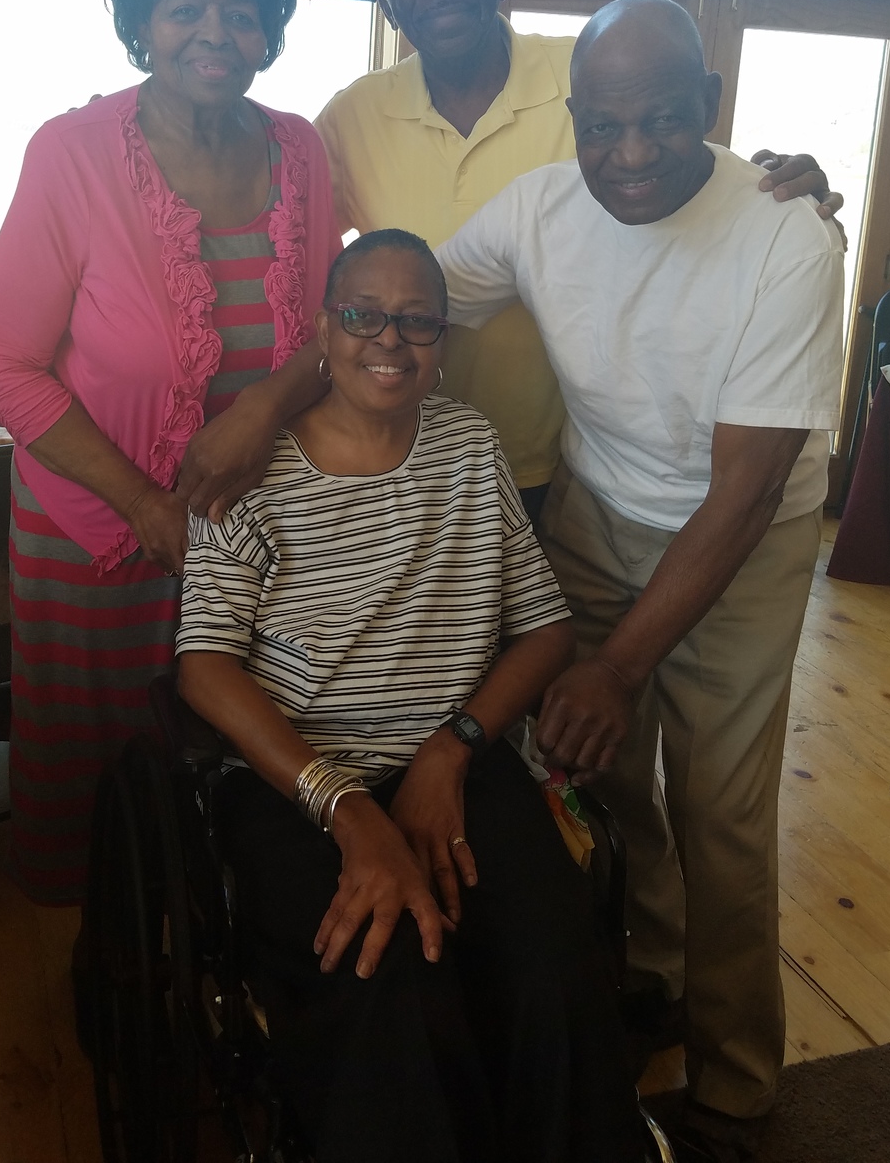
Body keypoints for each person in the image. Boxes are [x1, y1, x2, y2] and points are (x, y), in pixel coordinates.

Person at [435, 0, 845, 1162]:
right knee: (596, 775)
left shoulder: (785, 233)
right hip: (594, 512)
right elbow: (409, 302)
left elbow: (749, 486)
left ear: (709, 111)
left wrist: (621, 662)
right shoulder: (539, 207)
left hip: (743, 535)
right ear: (573, 119)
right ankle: (649, 975)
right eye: (603, 125)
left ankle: (735, 1085)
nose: (629, 155)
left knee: (719, 809)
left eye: (662, 122)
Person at [175, 229, 658, 1163]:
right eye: (362, 315)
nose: (388, 342)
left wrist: (452, 749)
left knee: (555, 972)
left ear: (443, 337)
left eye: (417, 322)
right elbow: (204, 668)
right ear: (324, 327)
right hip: (297, 783)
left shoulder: (468, 445)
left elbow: (547, 627)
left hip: (460, 765)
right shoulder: (255, 469)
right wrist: (347, 808)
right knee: (388, 984)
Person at [0, 0, 340, 906]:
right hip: (97, 529)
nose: (216, 31)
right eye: (186, 6)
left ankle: (212, 932)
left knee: (225, 754)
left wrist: (260, 413)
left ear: (270, 28)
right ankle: (106, 976)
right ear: (140, 23)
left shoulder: (302, 150)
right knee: (100, 776)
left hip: (246, 526)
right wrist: (143, 503)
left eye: (242, 9)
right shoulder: (72, 153)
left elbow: (324, 338)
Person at [310, 0, 843, 526]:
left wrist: (782, 198)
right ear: (388, 2)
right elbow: (316, 276)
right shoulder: (350, 117)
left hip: (572, 464)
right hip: (411, 457)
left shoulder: (593, 70)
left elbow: (690, 170)